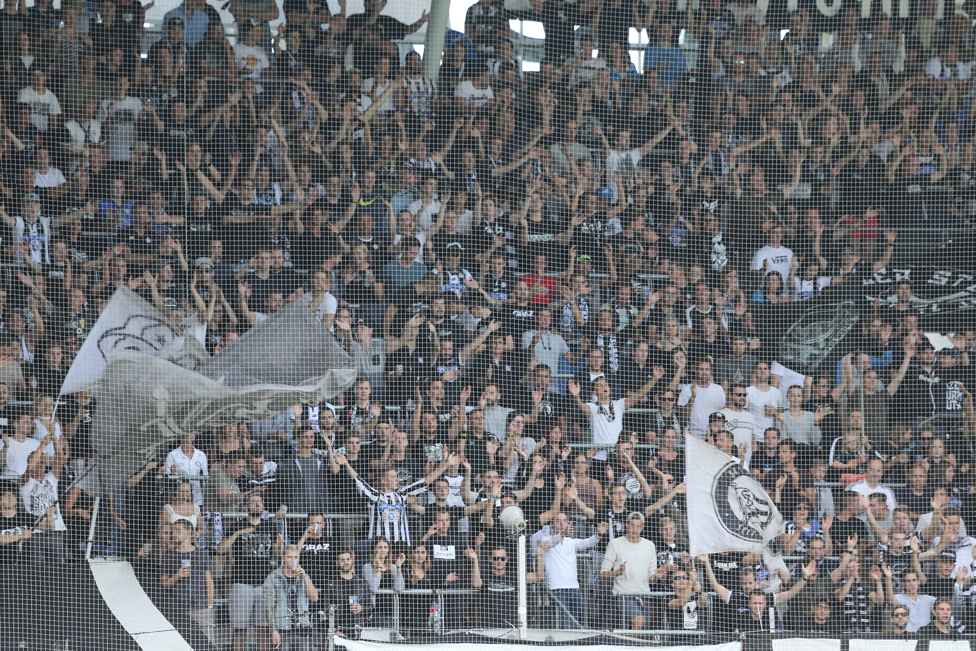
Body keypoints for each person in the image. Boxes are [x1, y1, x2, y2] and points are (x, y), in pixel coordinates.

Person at [218, 493, 283, 651]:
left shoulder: (271, 525)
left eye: (260, 502)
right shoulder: (237, 525)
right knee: (240, 629)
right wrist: (237, 534)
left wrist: (280, 545)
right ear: (245, 507)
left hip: (265, 585)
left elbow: (277, 555)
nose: (257, 505)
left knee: (263, 629)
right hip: (242, 583)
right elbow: (220, 550)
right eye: (253, 502)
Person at [566, 366, 664, 461]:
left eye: (605, 384)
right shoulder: (593, 406)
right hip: (599, 456)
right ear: (594, 392)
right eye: (600, 385)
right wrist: (576, 396)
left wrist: (654, 379)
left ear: (610, 389)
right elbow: (582, 407)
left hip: (618, 455)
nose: (604, 386)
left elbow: (638, 395)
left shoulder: (619, 404)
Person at [539, 513, 608, 629]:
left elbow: (587, 543)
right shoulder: (544, 539)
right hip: (557, 589)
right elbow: (550, 543)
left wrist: (599, 534)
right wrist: (562, 534)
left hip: (575, 589)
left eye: (564, 521)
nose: (562, 524)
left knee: (575, 626)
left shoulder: (570, 541)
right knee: (565, 626)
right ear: (551, 524)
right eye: (558, 521)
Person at [599, 512, 666, 630]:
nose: (635, 529)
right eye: (632, 525)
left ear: (643, 527)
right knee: (639, 623)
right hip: (624, 595)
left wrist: (656, 575)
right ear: (626, 525)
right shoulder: (615, 543)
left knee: (644, 633)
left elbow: (651, 578)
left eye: (639, 526)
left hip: (645, 595)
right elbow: (603, 574)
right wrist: (617, 572)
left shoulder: (649, 545)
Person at [160, 518, 216, 649]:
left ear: (188, 532)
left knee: (207, 645)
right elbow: (164, 583)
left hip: (201, 608)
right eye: (173, 531)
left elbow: (209, 581)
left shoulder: (202, 553)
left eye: (178, 530)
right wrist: (177, 575)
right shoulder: (169, 556)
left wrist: (210, 606)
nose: (174, 534)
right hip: (178, 610)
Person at [263, 545, 319, 650]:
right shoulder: (273, 577)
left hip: (302, 627)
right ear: (283, 558)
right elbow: (269, 606)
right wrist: (273, 630)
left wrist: (305, 578)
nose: (293, 560)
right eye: (289, 557)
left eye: (295, 557)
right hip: (282, 627)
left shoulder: (303, 577)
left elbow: (315, 598)